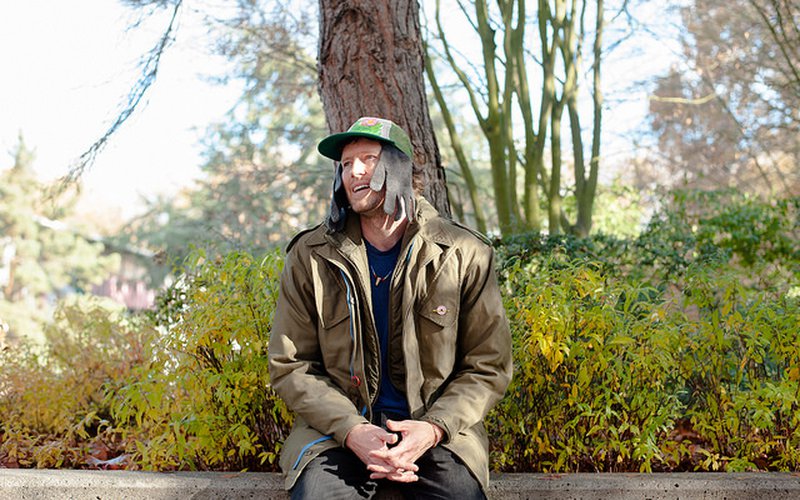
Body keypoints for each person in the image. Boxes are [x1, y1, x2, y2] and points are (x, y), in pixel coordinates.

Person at [268, 116, 512, 499]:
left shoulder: (464, 253)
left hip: (436, 430)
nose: (354, 172)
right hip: (335, 433)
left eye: (368, 159)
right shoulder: (310, 256)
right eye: (346, 164)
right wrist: (352, 430)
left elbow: (488, 365)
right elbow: (292, 364)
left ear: (400, 168)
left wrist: (433, 428)